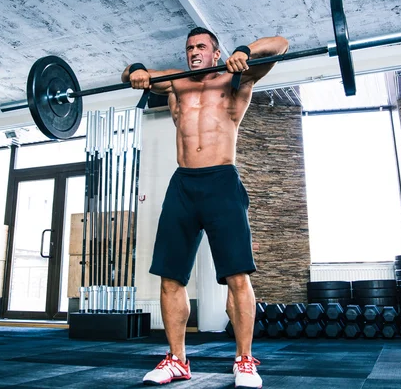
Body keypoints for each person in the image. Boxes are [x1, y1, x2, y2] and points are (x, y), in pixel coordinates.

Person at [122, 27, 289, 388]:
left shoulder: (235, 77)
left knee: (237, 275)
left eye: (201, 47)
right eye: (189, 48)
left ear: (215, 52)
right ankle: (177, 360)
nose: (193, 52)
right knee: (170, 276)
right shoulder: (175, 83)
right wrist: (135, 69)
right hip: (183, 184)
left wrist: (244, 51)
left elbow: (280, 44)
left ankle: (244, 361)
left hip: (222, 183)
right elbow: (132, 74)